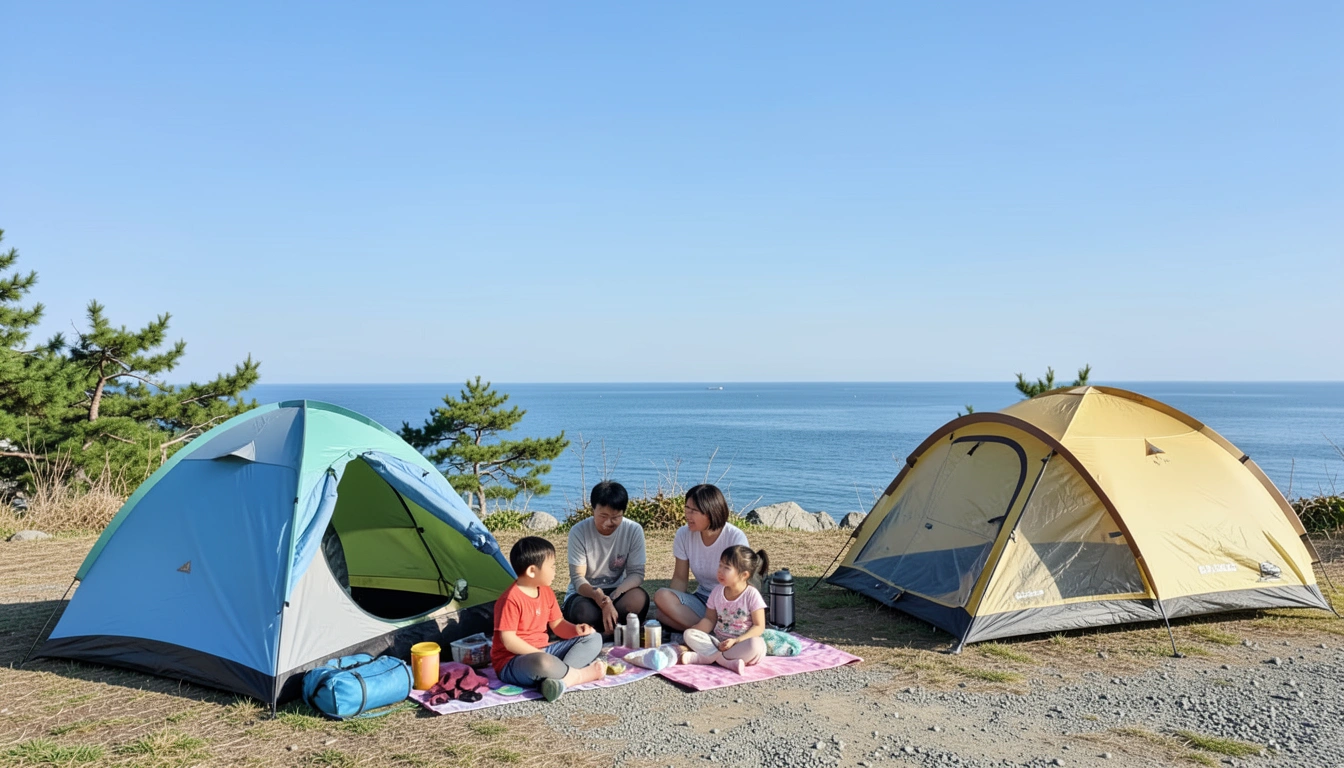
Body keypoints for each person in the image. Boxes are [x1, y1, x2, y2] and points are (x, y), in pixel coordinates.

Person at [492, 536, 606, 701]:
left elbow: (558, 624)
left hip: (546, 651)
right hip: (513, 661)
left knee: (594, 638)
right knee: (543, 662)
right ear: (532, 571)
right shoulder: (510, 599)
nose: (555, 571)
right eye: (552, 566)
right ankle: (579, 675)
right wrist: (540, 654)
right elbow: (509, 641)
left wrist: (576, 630)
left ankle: (559, 679)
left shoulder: (546, 591)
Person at [653, 484, 750, 632]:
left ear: (710, 513)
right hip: (702, 598)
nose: (687, 515)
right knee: (661, 605)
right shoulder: (683, 534)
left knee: (669, 618)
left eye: (694, 511)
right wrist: (671, 605)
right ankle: (712, 631)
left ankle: (710, 630)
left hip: (726, 603)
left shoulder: (734, 537)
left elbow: (740, 584)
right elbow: (680, 579)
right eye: (687, 508)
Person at [563, 481, 650, 635]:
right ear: (592, 510)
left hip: (617, 590)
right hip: (586, 593)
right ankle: (613, 631)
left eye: (616, 517)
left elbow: (637, 573)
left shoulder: (633, 530)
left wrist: (614, 596)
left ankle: (602, 632)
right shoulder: (579, 532)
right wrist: (601, 600)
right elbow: (578, 578)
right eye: (603, 516)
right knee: (584, 613)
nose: (608, 522)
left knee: (639, 599)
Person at [680, 545, 770, 673]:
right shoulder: (717, 591)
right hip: (718, 644)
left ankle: (707, 658)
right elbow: (709, 620)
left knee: (756, 646)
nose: (720, 571)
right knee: (688, 634)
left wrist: (736, 641)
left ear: (744, 575)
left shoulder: (751, 595)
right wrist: (695, 631)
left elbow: (759, 626)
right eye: (720, 565)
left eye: (726, 568)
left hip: (741, 644)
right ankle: (725, 661)